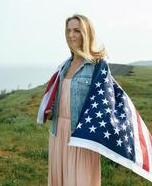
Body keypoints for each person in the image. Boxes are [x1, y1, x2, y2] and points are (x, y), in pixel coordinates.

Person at [45, 14, 106, 186]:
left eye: (77, 31)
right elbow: (62, 96)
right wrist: (52, 111)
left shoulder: (97, 66)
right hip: (58, 133)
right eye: (69, 30)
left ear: (86, 34)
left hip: (80, 136)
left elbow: (104, 104)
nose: (71, 35)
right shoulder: (64, 65)